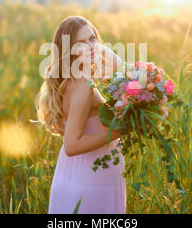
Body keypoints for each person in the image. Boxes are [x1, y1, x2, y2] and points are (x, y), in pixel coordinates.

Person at [35, 15, 126, 214]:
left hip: (81, 175)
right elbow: (72, 145)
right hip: (89, 180)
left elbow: (124, 71)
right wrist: (120, 131)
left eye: (92, 38)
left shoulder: (74, 79)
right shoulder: (82, 85)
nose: (91, 46)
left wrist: (95, 47)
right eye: (80, 43)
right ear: (70, 50)